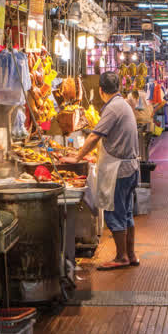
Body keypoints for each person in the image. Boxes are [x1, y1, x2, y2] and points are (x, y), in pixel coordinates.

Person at [62, 72, 141, 270]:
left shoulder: (113, 108)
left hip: (119, 170)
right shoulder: (123, 104)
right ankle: (131, 255)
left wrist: (77, 158)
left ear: (100, 90)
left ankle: (122, 256)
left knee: (115, 213)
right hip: (129, 168)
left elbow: (94, 137)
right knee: (127, 213)